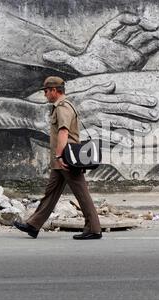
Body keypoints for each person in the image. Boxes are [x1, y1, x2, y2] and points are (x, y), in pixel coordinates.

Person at [14, 76, 102, 240]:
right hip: (61, 160)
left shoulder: (63, 107)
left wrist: (60, 155)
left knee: (81, 192)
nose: (45, 94)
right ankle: (33, 225)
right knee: (51, 193)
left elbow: (63, 132)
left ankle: (94, 229)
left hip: (67, 159)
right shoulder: (61, 106)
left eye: (46, 91)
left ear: (54, 90)